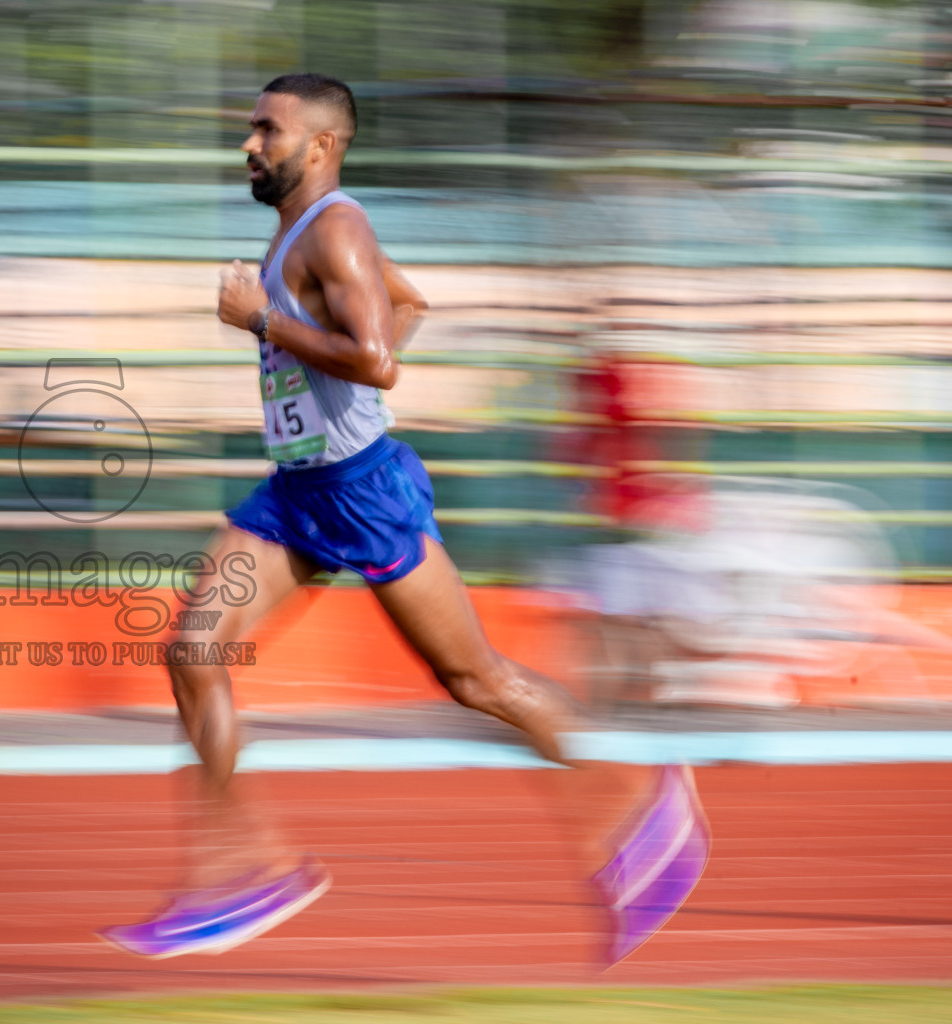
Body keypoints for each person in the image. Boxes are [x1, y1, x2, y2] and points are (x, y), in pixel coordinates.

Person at [97, 73, 710, 965]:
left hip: (360, 490)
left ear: (321, 146)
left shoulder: (337, 226)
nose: (248, 144)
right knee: (193, 649)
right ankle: (242, 873)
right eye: (250, 129)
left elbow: (379, 360)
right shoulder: (302, 232)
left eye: (266, 130)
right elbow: (411, 307)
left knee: (477, 682)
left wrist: (261, 320)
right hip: (297, 489)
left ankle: (646, 803)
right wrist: (300, 353)